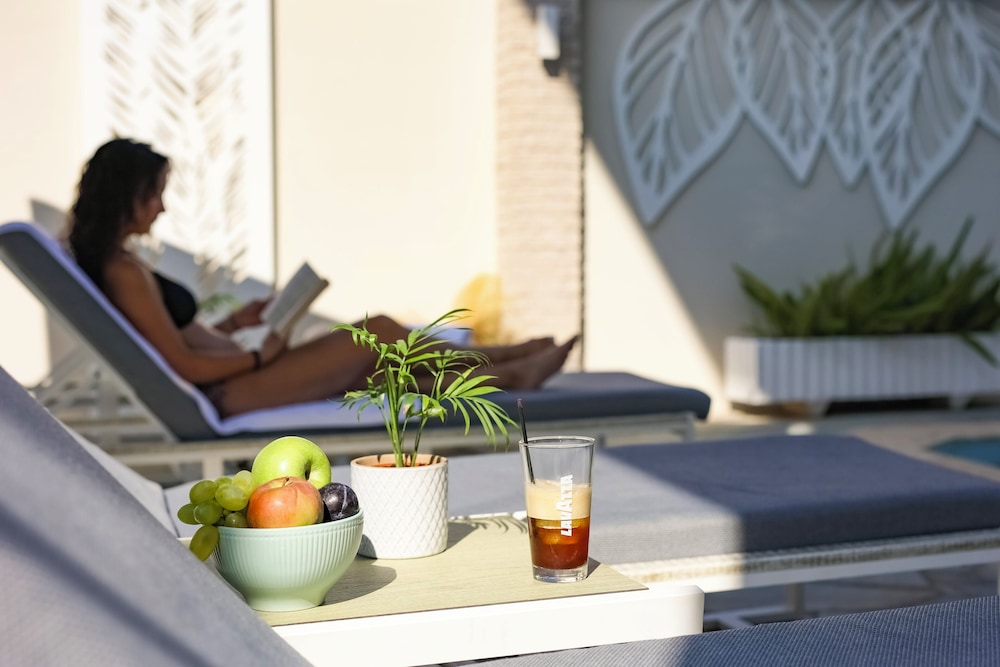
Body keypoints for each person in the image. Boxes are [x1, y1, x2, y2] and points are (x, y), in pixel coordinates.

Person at [65, 138, 576, 418]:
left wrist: (235, 326)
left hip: (233, 374)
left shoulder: (119, 262)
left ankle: (510, 374)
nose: (161, 207)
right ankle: (503, 357)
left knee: (372, 373)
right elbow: (180, 363)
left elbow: (174, 340)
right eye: (154, 193)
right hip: (230, 390)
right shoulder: (122, 271)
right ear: (126, 196)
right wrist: (260, 355)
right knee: (379, 331)